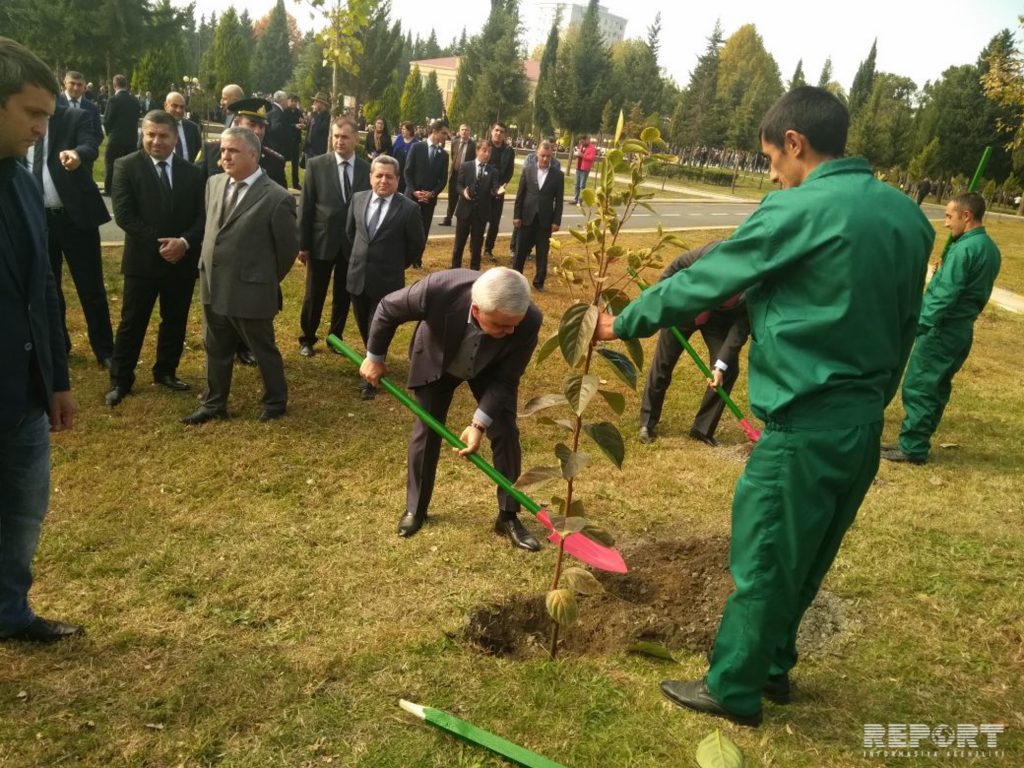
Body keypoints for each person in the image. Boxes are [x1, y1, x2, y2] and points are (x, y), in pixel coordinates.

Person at [595, 87, 935, 727]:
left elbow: (706, 276)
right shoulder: (907, 218)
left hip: (803, 422)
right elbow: (907, 321)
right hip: (860, 425)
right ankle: (773, 665)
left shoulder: (795, 210)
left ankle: (734, 688)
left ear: (796, 144)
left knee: (765, 555)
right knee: (809, 553)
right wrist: (874, 401)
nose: (771, 173)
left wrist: (625, 322)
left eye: (771, 159)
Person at [359, 267, 542, 551]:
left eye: (514, 325)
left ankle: (508, 515)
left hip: (490, 370)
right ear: (477, 310)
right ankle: (416, 509)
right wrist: (375, 357)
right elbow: (388, 308)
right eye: (503, 326)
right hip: (438, 361)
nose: (511, 331)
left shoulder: (528, 320)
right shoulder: (439, 289)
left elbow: (506, 379)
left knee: (505, 432)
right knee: (427, 431)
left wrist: (478, 424)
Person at [0, 36, 82, 643]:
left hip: (25, 396)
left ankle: (9, 612)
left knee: (22, 515)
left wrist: (57, 381)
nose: (41, 128)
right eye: (32, 114)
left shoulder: (26, 184)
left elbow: (44, 293)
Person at [182, 127, 297, 425]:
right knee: (215, 346)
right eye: (222, 150)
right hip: (213, 282)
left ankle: (275, 400)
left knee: (262, 348)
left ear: (253, 155)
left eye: (232, 150)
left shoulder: (277, 198)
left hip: (251, 290)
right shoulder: (214, 184)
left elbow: (285, 253)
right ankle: (214, 402)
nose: (224, 156)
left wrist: (260, 279)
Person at [882, 192, 1002, 464]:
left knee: (920, 386)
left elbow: (944, 296)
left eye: (949, 216)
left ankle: (912, 447)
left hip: (941, 330)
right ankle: (915, 440)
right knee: (937, 387)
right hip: (961, 330)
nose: (946, 223)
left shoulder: (964, 250)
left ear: (966, 216)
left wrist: (918, 325)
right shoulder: (989, 248)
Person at [105, 110, 206, 407]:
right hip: (143, 261)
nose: (156, 141)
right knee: (132, 321)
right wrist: (162, 244)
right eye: (150, 134)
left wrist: (184, 243)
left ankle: (166, 370)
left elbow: (202, 215)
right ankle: (121, 379)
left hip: (181, 261)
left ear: (175, 138)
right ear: (142, 134)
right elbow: (124, 215)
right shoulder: (126, 166)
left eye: (163, 135)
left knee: (174, 319)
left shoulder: (192, 172)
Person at [28, 88, 115, 368]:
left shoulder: (75, 117)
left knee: (91, 288)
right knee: (48, 288)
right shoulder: (22, 124)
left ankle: (105, 351)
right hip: (38, 219)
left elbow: (91, 144)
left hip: (74, 217)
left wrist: (77, 154)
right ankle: (59, 346)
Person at [636, 241, 750, 447]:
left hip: (717, 319)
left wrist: (720, 366)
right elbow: (677, 265)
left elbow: (739, 331)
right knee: (663, 364)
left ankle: (702, 429)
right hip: (684, 310)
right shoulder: (712, 255)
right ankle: (647, 422)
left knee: (729, 369)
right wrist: (661, 302)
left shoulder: (754, 288)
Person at [346, 155, 425, 399]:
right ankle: (374, 356)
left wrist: (394, 265)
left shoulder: (409, 208)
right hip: (358, 276)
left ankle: (371, 374)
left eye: (389, 177)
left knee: (376, 326)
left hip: (387, 280)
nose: (383, 181)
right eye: (378, 175)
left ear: (398, 180)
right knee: (363, 324)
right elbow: (351, 233)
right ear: (370, 177)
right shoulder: (358, 199)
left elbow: (416, 246)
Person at [297, 116, 371, 357]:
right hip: (321, 242)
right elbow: (306, 207)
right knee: (314, 293)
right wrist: (303, 244)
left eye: (345, 137)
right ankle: (307, 338)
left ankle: (335, 337)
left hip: (351, 244)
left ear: (356, 139)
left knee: (343, 293)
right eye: (336, 136)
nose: (339, 141)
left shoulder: (366, 169)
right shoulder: (317, 165)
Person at [511, 140, 563, 291]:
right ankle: (515, 279)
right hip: (526, 217)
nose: (545, 159)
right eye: (542, 156)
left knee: (542, 253)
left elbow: (559, 201)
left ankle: (539, 282)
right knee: (520, 251)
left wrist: (556, 221)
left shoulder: (558, 175)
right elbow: (520, 195)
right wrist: (517, 216)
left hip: (545, 220)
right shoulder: (528, 170)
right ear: (536, 154)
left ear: (551, 155)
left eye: (548, 156)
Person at [403, 119, 449, 267]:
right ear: (434, 131)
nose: (445, 137)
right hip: (412, 197)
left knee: (423, 231)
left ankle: (417, 260)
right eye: (443, 133)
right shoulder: (417, 147)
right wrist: (414, 191)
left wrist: (432, 193)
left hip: (429, 200)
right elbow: (408, 172)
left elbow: (443, 180)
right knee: (406, 228)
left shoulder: (444, 155)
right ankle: (403, 257)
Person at [451, 140, 499, 271]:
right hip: (464, 211)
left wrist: (497, 192)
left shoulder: (493, 171)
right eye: (484, 150)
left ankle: (474, 270)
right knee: (459, 244)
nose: (487, 154)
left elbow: (494, 188)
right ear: (477, 151)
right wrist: (463, 191)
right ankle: (455, 269)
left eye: (489, 152)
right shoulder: (466, 166)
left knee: (477, 246)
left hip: (481, 214)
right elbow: (458, 185)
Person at [102, 74, 141, 195]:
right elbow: (136, 118)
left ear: (114, 86)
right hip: (131, 138)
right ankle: (128, 189)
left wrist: (110, 134)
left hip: (116, 138)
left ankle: (109, 188)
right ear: (126, 85)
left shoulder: (113, 100)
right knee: (130, 166)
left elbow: (107, 120)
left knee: (111, 164)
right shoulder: (135, 100)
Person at [483, 122, 514, 260]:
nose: (498, 133)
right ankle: (475, 247)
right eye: (496, 130)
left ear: (504, 135)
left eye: (501, 131)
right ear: (491, 131)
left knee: (495, 222)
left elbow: (509, 172)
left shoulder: (509, 151)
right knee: (480, 220)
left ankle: (488, 249)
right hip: (483, 189)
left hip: (499, 191)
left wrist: (502, 187)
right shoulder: (485, 147)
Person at [441, 123, 474, 226]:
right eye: (462, 130)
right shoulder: (454, 142)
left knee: (464, 198)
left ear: (470, 132)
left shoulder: (473, 145)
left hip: (466, 176)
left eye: (466, 130)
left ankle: (463, 221)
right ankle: (448, 219)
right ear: (459, 131)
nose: (464, 132)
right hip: (454, 174)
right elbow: (453, 156)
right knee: (452, 198)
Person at [58, 70, 102, 147]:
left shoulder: (92, 108)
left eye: (79, 85)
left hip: (82, 156)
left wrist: (87, 150)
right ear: (65, 83)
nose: (76, 88)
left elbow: (98, 134)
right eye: (72, 83)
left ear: (84, 86)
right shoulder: (55, 103)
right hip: (58, 155)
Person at [162, 91, 201, 162]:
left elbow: (199, 154)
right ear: (165, 106)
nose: (178, 110)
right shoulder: (154, 126)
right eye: (174, 106)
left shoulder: (192, 128)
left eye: (182, 107)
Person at [283, 93, 304, 189]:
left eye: (296, 101)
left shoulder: (298, 112)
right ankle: (282, 181)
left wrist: (303, 123)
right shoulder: (284, 111)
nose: (294, 103)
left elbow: (302, 121)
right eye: (292, 101)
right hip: (286, 141)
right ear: (288, 101)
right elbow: (284, 124)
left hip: (296, 141)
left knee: (295, 164)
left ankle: (296, 183)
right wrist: (294, 126)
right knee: (282, 162)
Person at [391, 120, 418, 194]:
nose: (402, 131)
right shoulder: (399, 138)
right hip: (396, 168)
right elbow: (393, 150)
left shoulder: (415, 143)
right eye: (402, 129)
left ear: (410, 131)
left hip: (407, 171)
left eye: (404, 129)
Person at [303, 92, 330, 159]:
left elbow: (320, 128)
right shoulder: (313, 114)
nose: (314, 103)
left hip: (318, 150)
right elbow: (310, 128)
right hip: (308, 148)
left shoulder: (327, 116)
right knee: (308, 169)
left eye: (316, 101)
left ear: (322, 103)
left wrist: (315, 115)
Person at [572, 135, 597, 205]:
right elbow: (579, 155)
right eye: (580, 142)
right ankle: (575, 199)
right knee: (576, 184)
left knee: (582, 185)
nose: (581, 143)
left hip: (585, 169)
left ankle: (580, 200)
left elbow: (591, 158)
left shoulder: (592, 148)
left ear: (587, 140)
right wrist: (576, 154)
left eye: (583, 141)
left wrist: (582, 155)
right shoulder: (581, 146)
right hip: (578, 167)